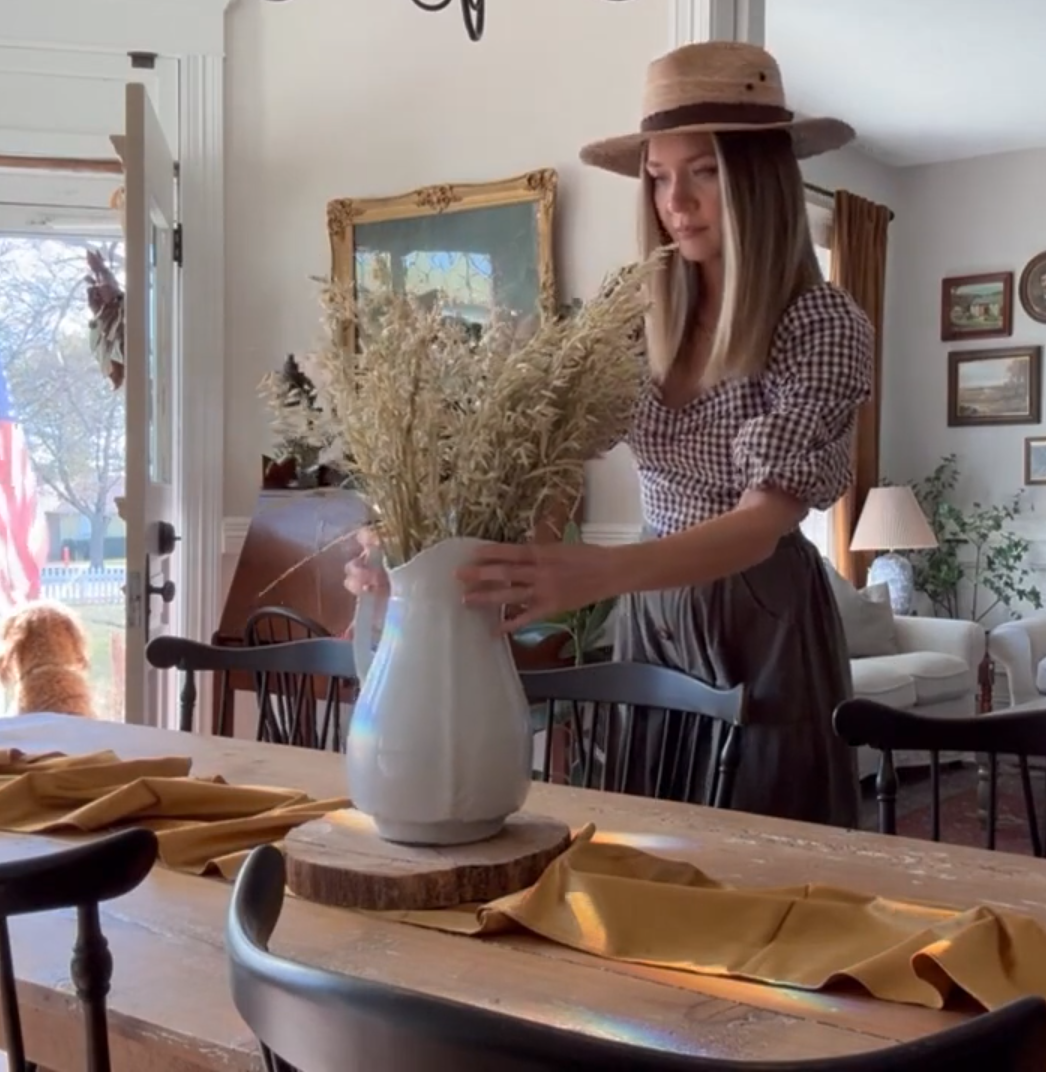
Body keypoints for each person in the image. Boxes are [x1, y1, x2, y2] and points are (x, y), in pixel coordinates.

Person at [346, 41, 873, 828]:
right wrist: (437, 563)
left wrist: (594, 574)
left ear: (760, 177)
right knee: (643, 837)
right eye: (659, 177)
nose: (675, 202)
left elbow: (764, 522)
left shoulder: (820, 323)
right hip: (648, 607)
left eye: (703, 172)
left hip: (758, 613)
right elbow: (555, 461)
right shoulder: (639, 318)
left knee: (761, 850)